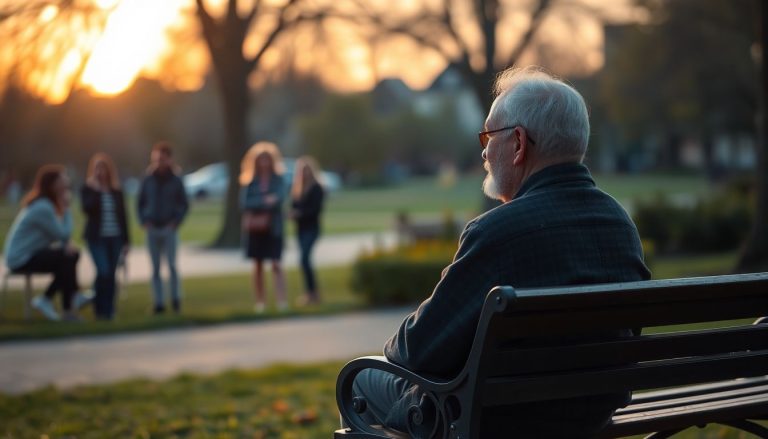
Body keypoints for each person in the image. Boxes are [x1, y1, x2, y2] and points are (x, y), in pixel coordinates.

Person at [350, 66, 651, 438]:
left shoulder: (498, 232)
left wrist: (395, 345)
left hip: (494, 421)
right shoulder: (620, 224)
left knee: (361, 377)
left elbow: (418, 351)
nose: (485, 152)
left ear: (519, 143)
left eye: (489, 136)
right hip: (591, 412)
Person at [3, 165, 91, 321]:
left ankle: (58, 302)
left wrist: (66, 245)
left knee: (69, 257)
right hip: (20, 258)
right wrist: (66, 208)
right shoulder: (43, 206)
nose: (67, 181)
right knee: (68, 257)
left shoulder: (45, 204)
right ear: (53, 184)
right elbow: (63, 234)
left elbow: (58, 236)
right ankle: (64, 304)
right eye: (63, 178)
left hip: (28, 255)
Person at [137, 141, 188, 314]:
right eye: (157, 158)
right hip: (152, 227)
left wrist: (175, 221)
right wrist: (144, 220)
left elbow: (184, 204)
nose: (159, 162)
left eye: (163, 159)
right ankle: (159, 303)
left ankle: (176, 299)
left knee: (172, 266)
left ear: (169, 160)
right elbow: (140, 203)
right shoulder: (148, 179)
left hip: (169, 228)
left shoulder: (176, 180)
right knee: (155, 268)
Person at [81, 153, 130, 320]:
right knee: (103, 271)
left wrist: (126, 241)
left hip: (115, 237)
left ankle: (108, 309)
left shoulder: (116, 191)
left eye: (103, 168)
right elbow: (87, 210)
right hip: (96, 238)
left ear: (109, 171)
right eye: (97, 169)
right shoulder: (88, 189)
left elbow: (123, 217)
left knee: (111, 274)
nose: (100, 172)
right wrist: (96, 191)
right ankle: (99, 308)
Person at [240, 141, 287, 313]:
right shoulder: (250, 181)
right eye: (261, 160)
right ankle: (261, 302)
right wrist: (265, 201)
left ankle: (282, 301)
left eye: (267, 159)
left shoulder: (278, 179)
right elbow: (245, 203)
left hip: (273, 227)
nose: (264, 163)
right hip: (255, 228)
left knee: (276, 263)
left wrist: (265, 202)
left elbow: (280, 199)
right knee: (257, 265)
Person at [289, 156, 325, 305]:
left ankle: (313, 293)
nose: (305, 173)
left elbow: (315, 210)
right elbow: (294, 207)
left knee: (304, 259)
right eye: (302, 170)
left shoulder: (317, 188)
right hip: (300, 229)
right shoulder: (297, 189)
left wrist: (299, 214)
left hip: (312, 229)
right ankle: (310, 293)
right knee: (304, 261)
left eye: (307, 170)